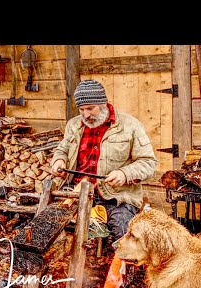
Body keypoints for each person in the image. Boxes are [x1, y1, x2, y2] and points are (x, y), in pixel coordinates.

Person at [50, 79, 158, 244]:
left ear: (104, 103)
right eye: (81, 109)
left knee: (125, 234)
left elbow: (148, 162)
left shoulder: (130, 125)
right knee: (48, 223)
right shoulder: (73, 125)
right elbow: (62, 150)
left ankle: (123, 269)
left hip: (116, 195)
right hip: (75, 190)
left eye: (90, 108)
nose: (86, 114)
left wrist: (124, 173)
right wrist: (59, 161)